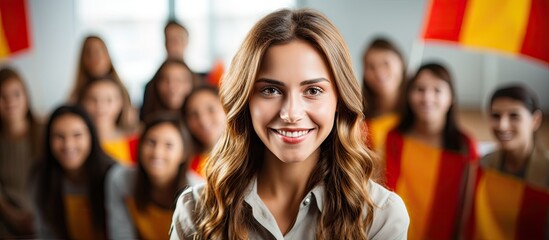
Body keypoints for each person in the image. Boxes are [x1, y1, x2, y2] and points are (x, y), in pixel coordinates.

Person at [170, 9, 409, 239]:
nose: (291, 113)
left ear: (339, 100)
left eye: (313, 90)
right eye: (271, 90)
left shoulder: (381, 217)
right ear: (245, 100)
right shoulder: (195, 211)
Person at [384, 63, 478, 239]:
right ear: (409, 95)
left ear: (451, 98)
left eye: (437, 90)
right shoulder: (394, 138)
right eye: (420, 89)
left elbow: (468, 204)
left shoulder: (465, 145)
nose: (427, 98)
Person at [464, 85, 549, 239]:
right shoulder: (484, 164)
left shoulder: (547, 170)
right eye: (496, 116)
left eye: (514, 116)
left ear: (535, 120)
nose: (502, 125)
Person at [106, 113, 202, 239]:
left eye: (169, 145)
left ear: (183, 153)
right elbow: (121, 234)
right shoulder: (121, 178)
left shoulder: (198, 193)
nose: (157, 152)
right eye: (151, 142)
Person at [34, 105, 115, 239]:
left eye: (77, 135)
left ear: (91, 136)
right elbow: (46, 233)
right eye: (59, 136)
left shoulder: (114, 175)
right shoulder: (41, 176)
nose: (68, 145)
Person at [0, 67, 42, 238]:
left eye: (16, 94)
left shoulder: (45, 132)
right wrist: (13, 216)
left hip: (45, 219)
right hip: (6, 223)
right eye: (2, 96)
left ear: (26, 96)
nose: (10, 102)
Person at [78, 77, 139, 165]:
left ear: (121, 103)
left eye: (109, 100)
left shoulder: (135, 142)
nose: (100, 106)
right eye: (93, 99)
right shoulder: (75, 142)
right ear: (82, 102)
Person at [361, 37, 406, 153]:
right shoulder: (359, 118)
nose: (379, 73)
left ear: (401, 63)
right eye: (371, 67)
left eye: (386, 64)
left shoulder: (419, 113)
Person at [68, 36, 131, 109]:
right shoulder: (75, 97)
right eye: (89, 53)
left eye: (99, 51)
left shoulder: (122, 91)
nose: (96, 58)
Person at [182, 85, 227, 176]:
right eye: (194, 114)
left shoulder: (252, 155)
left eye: (211, 110)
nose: (203, 121)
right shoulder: (187, 165)